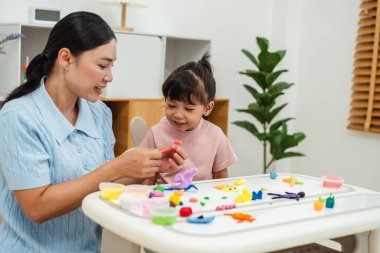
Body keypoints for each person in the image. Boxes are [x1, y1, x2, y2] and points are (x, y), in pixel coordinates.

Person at [0, 11, 186, 253]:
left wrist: (146, 170)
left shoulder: (99, 114)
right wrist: (117, 166)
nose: (109, 77)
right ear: (66, 58)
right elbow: (37, 207)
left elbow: (105, 185)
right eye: (102, 65)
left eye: (111, 66)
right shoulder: (19, 117)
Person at [139, 54, 237, 185]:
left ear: (207, 108)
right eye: (171, 105)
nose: (178, 114)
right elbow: (148, 179)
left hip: (203, 201)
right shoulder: (155, 134)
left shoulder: (216, 135)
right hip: (164, 200)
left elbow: (221, 179)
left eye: (189, 109)